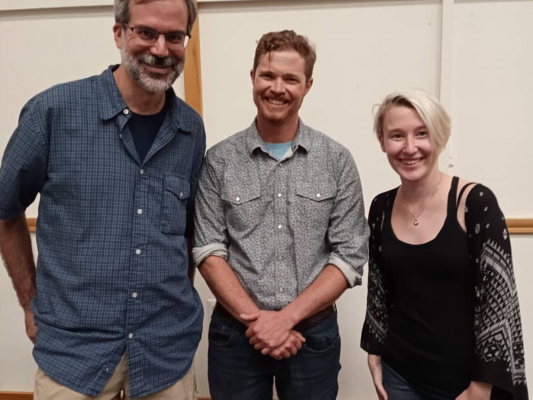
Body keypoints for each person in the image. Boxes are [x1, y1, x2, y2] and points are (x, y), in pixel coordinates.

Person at [0, 0, 205, 399]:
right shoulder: (52, 113)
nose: (161, 49)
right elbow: (5, 211)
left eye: (174, 37)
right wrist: (29, 303)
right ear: (119, 33)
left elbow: (188, 232)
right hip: (74, 357)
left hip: (166, 355)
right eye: (146, 32)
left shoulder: (190, 130)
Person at [192, 30, 369, 400]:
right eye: (268, 75)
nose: (277, 87)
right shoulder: (219, 161)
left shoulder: (336, 161)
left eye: (291, 78)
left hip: (313, 335)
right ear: (253, 77)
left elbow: (349, 254)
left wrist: (285, 320)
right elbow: (208, 248)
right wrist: (259, 323)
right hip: (235, 338)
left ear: (308, 85)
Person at [361, 90, 528, 400]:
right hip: (401, 373)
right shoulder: (380, 207)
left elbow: (499, 306)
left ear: (438, 137)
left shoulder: (475, 203)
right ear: (383, 142)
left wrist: (480, 389)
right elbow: (380, 287)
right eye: (397, 135)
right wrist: (374, 348)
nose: (410, 147)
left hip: (467, 382)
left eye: (421, 133)